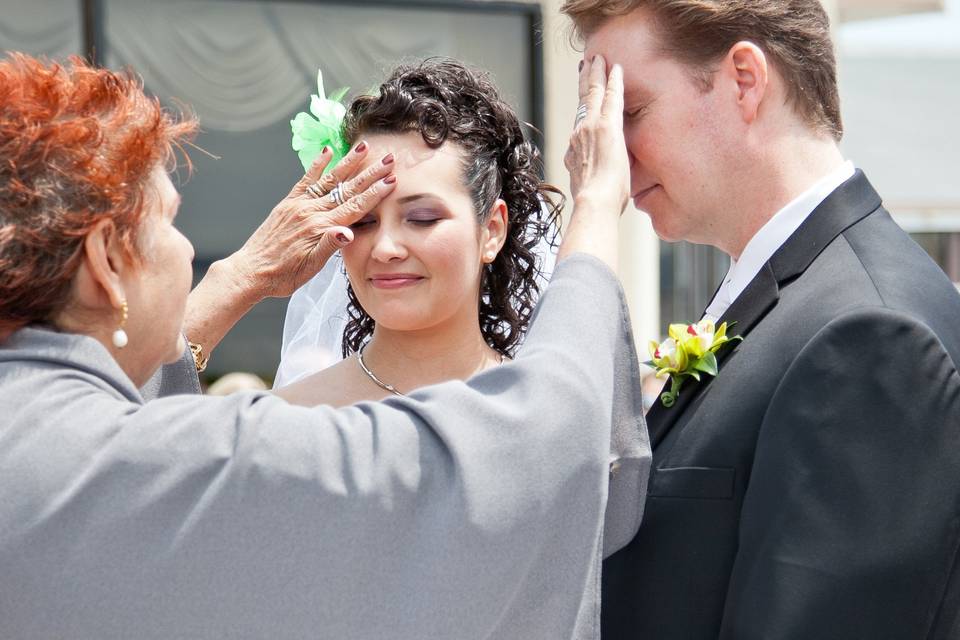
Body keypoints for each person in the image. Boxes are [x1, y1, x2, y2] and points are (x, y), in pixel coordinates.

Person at [0, 52, 649, 638]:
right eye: (171, 222)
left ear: (493, 229)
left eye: (423, 216)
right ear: (105, 264)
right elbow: (542, 432)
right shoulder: (269, 441)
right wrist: (595, 207)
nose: (193, 250)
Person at [558, 1, 960, 638]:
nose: (605, 151)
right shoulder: (796, 298)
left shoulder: (871, 337)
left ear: (744, 79)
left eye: (628, 111)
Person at [276, 59, 561, 406]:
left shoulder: (542, 413)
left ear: (492, 230)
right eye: (362, 221)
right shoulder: (295, 415)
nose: (385, 248)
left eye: (422, 217)